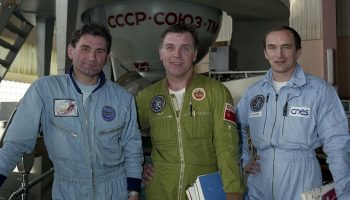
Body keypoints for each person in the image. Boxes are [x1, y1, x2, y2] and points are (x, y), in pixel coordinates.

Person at [0, 22, 143, 199]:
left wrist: (134, 189)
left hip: (114, 190)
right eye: (85, 48)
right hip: (68, 191)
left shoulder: (122, 98)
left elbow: (132, 146)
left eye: (100, 51)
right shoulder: (45, 90)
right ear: (70, 51)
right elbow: (16, 143)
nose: (92, 57)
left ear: (106, 58)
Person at [236, 26, 350, 199]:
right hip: (260, 179)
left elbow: (338, 145)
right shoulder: (254, 92)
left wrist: (345, 194)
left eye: (286, 47)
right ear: (265, 53)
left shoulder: (319, 91)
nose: (279, 54)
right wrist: (243, 158)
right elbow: (235, 126)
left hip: (302, 178)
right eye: (272, 47)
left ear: (298, 52)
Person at [136, 23, 243, 199]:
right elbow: (123, 139)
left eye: (185, 48)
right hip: (160, 192)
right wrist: (137, 168)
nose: (176, 54)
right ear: (161, 53)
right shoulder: (146, 97)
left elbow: (227, 145)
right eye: (170, 47)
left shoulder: (216, 91)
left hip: (203, 191)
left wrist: (233, 191)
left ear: (194, 54)